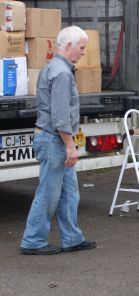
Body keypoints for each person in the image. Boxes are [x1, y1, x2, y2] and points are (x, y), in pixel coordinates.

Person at [20, 26, 97, 255]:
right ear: (69, 46)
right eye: (82, 47)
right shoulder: (62, 73)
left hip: (53, 140)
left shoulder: (53, 68)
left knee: (69, 193)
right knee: (49, 192)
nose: (83, 52)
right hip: (54, 141)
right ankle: (33, 241)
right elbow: (60, 116)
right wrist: (70, 145)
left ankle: (72, 238)